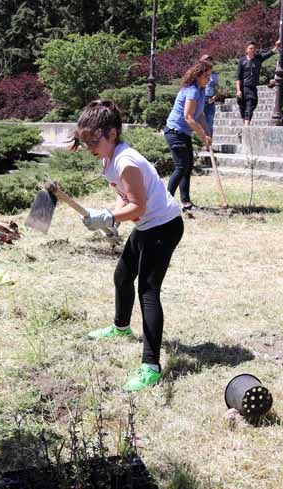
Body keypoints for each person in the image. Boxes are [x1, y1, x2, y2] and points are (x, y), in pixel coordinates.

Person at [73, 100, 185, 392]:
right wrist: (112, 220)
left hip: (163, 226)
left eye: (93, 141)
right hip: (146, 225)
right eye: (85, 142)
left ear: (111, 133)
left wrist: (109, 216)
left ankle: (151, 366)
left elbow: (139, 205)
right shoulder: (108, 161)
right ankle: (121, 327)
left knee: (147, 291)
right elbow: (125, 201)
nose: (89, 148)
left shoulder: (126, 161)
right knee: (122, 276)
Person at [163, 60, 213, 211]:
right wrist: (203, 136)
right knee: (181, 166)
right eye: (206, 76)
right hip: (174, 131)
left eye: (210, 75)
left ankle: (186, 203)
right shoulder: (192, 90)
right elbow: (188, 117)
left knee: (188, 166)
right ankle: (164, 203)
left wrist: (208, 132)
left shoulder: (201, 90)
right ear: (198, 75)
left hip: (184, 132)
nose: (209, 79)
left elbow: (200, 114)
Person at [236, 41, 275, 126]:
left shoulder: (258, 58)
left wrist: (277, 46)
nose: (253, 50)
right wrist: (238, 90)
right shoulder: (242, 61)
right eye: (251, 48)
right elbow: (238, 77)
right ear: (246, 50)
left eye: (254, 48)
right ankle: (245, 127)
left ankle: (246, 127)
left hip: (252, 88)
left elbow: (270, 53)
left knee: (251, 106)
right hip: (244, 87)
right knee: (243, 108)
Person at [200, 54, 219, 136]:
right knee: (200, 122)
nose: (209, 62)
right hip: (200, 99)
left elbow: (217, 88)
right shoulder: (198, 74)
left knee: (209, 123)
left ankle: (209, 143)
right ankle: (200, 142)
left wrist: (214, 97)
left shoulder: (214, 75)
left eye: (210, 60)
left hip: (210, 100)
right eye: (207, 60)